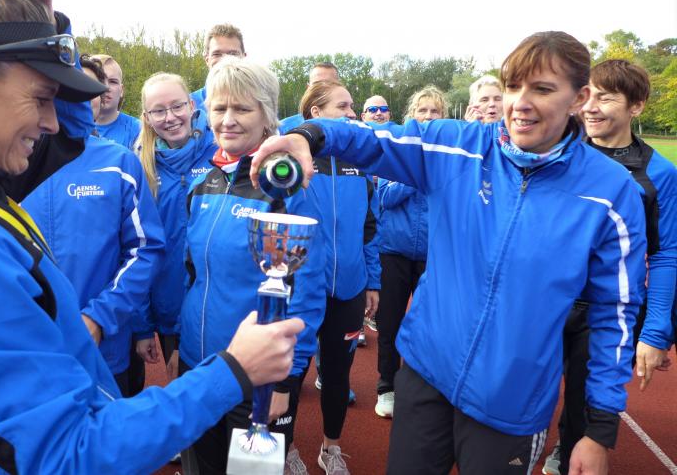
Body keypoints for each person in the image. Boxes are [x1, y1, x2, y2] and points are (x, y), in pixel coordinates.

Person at [0, 0, 304, 474]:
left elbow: (76, 133)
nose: (52, 121)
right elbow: (70, 455)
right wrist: (234, 371)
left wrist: (50, 34)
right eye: (40, 97)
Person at [251, 31, 647, 475]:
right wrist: (310, 134)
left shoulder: (610, 191)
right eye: (513, 86)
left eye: (542, 89)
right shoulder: (459, 147)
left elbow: (615, 314)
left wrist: (598, 430)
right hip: (425, 376)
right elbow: (374, 139)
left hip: (510, 402)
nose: (520, 103)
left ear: (580, 98)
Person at [178, 57, 326, 475]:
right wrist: (178, 345)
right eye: (219, 108)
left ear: (266, 116)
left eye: (242, 108)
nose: (228, 119)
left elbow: (307, 289)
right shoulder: (202, 183)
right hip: (198, 366)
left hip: (256, 373)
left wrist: (286, 379)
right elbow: (191, 273)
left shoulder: (286, 186)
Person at [542, 58, 677, 475]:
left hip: (605, 311)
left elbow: (666, 253)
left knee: (585, 406)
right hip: (546, 299)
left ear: (636, 106)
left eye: (606, 98)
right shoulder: (558, 152)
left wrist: (655, 331)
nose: (591, 107)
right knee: (520, 393)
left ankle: (569, 450)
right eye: (588, 96)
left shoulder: (659, 173)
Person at [22, 57, 167, 399]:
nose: (78, 99)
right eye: (67, 90)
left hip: (102, 346)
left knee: (112, 431)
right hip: (28, 349)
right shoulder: (13, 160)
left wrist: (100, 317)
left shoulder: (118, 162)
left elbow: (146, 249)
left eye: (86, 91)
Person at [297, 80, 381, 475]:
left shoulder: (359, 164)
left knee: (336, 375)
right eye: (343, 106)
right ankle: (286, 449)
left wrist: (373, 281)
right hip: (300, 290)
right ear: (316, 113)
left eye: (352, 106)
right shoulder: (293, 160)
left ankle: (331, 448)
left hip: (348, 288)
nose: (352, 113)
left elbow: (369, 228)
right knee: (290, 374)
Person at [135, 72, 216, 382]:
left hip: (214, 306)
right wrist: (142, 326)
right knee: (184, 396)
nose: (170, 118)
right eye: (158, 111)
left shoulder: (220, 153)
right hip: (169, 308)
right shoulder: (140, 166)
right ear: (147, 117)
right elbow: (137, 249)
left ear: (192, 105)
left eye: (177, 106)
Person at [373, 85, 440, 420]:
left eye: (434, 111)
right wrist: (416, 174)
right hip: (394, 252)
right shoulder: (397, 152)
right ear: (411, 116)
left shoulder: (450, 155)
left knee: (428, 326)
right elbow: (384, 198)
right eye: (422, 110)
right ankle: (387, 386)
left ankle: (420, 390)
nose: (427, 116)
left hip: (433, 256)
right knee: (389, 323)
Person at [189, 23, 246, 114]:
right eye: (217, 54)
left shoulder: (261, 102)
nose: (225, 60)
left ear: (244, 58)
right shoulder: (187, 105)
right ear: (207, 59)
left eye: (232, 54)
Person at [90, 53, 141, 149]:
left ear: (121, 90)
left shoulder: (138, 130)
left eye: (113, 82)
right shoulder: (72, 127)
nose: (106, 87)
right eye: (100, 80)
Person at [279, 62, 341, 134]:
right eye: (317, 84)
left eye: (329, 84)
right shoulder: (283, 128)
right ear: (308, 88)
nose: (322, 88)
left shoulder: (349, 124)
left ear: (340, 87)